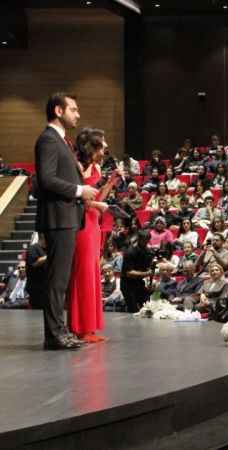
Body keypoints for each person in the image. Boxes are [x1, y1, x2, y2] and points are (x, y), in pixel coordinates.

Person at [34, 93, 100, 350]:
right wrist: (78, 190)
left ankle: (59, 331)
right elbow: (46, 179)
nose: (78, 114)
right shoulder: (48, 140)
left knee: (60, 279)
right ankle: (54, 335)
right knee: (57, 279)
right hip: (58, 219)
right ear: (59, 111)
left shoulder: (60, 141)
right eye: (74, 109)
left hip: (67, 218)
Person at [66, 128, 115, 342]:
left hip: (93, 222)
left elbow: (97, 195)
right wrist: (97, 204)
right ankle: (80, 327)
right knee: (83, 273)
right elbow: (79, 200)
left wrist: (111, 182)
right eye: (102, 144)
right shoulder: (76, 166)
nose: (105, 147)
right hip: (83, 223)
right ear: (92, 147)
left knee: (92, 272)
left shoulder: (96, 166)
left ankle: (89, 327)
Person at [121, 230, 154, 313]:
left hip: (139, 282)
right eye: (144, 240)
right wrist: (146, 273)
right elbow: (129, 273)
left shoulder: (148, 252)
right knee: (134, 310)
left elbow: (148, 268)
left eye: (147, 240)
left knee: (147, 308)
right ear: (139, 239)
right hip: (128, 284)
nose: (146, 242)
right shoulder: (130, 252)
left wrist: (150, 282)